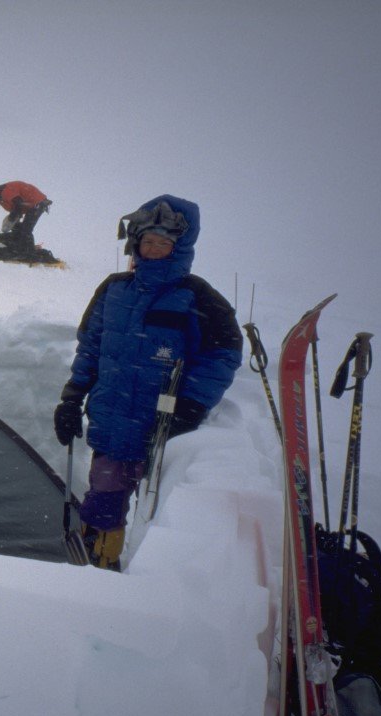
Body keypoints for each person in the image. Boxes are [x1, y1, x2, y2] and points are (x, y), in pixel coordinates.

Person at [52, 194, 243, 571]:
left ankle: (146, 579)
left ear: (179, 248)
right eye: (147, 242)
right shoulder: (114, 290)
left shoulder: (198, 297)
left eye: (163, 243)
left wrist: (191, 405)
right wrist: (72, 399)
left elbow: (223, 355)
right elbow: (91, 347)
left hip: (163, 428)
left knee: (158, 516)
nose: (153, 250)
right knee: (102, 502)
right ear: (136, 244)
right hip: (110, 421)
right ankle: (98, 567)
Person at [0, 181, 51, 253]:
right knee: (18, 227)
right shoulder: (2, 197)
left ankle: (28, 251)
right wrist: (13, 219)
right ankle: (21, 246)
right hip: (33, 204)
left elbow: (19, 204)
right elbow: (17, 209)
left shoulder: (5, 192)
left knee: (26, 229)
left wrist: (12, 218)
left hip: (37, 203)